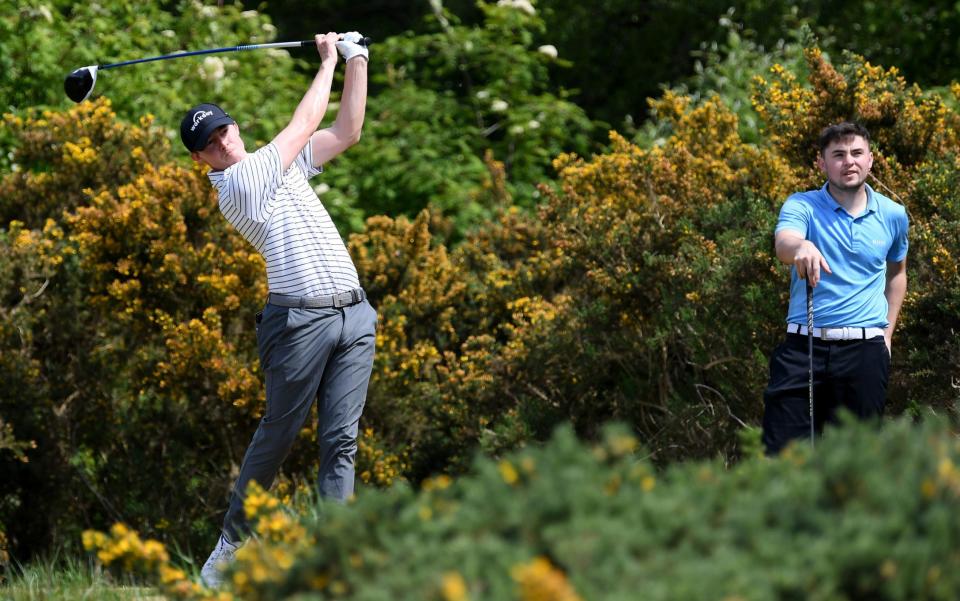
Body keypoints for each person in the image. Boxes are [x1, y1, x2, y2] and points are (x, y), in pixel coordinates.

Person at [179, 32, 373, 588]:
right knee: (279, 435)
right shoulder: (239, 183)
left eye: (224, 128)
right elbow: (304, 125)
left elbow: (347, 130)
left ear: (235, 127)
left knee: (341, 439)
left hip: (354, 315)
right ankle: (232, 543)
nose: (222, 141)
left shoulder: (280, 167)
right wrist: (329, 60)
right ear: (201, 160)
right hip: (299, 322)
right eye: (209, 142)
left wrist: (357, 60)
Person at [761, 122, 909, 455]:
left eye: (857, 153)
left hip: (865, 351)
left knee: (857, 463)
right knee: (784, 456)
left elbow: (897, 272)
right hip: (804, 347)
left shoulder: (894, 214)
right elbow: (785, 243)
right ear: (822, 163)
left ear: (870, 160)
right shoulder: (802, 205)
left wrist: (886, 335)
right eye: (838, 155)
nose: (849, 162)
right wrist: (801, 248)